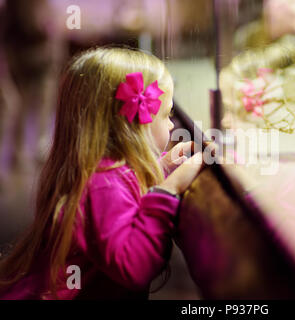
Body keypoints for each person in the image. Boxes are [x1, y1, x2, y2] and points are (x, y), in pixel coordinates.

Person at [0, 46, 206, 299]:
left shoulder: (104, 171)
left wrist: (163, 168)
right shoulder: (104, 185)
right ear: (133, 126)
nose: (172, 124)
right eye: (167, 114)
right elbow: (135, 268)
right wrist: (168, 191)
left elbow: (127, 198)